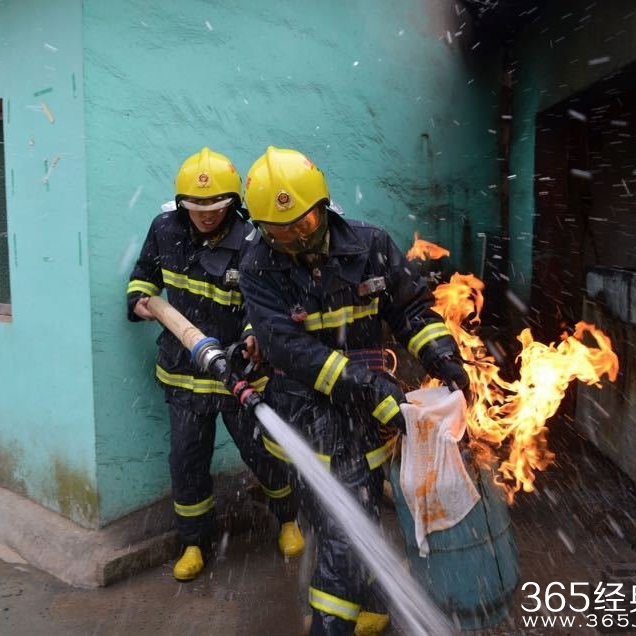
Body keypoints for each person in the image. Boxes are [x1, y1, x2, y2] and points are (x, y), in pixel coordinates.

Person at [238, 147, 469, 636]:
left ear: (322, 205)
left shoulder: (370, 245)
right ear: (262, 230)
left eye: (302, 222)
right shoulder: (258, 266)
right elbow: (290, 350)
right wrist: (368, 388)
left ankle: (368, 605)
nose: (296, 237)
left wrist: (441, 355)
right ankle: (332, 622)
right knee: (342, 533)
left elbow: (410, 311)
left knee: (351, 521)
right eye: (279, 231)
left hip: (362, 422)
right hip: (306, 422)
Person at [126, 147, 305, 582]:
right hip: (183, 374)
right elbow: (145, 271)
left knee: (263, 452)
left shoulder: (250, 241)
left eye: (217, 207)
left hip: (237, 373)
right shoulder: (165, 230)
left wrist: (250, 336)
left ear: (232, 204)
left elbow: (260, 303)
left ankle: (287, 518)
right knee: (187, 461)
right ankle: (193, 542)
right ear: (182, 204)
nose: (206, 215)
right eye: (196, 207)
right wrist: (139, 300)